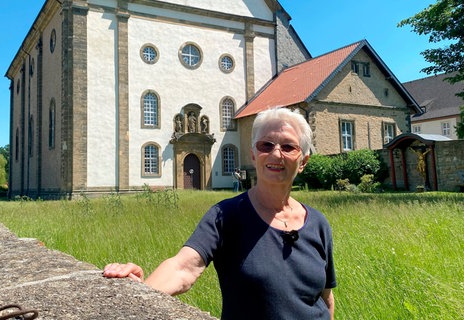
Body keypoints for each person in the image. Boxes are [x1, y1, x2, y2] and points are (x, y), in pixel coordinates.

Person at [104, 107, 336, 319]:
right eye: (266, 145)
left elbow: (325, 299)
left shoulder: (317, 223)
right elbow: (183, 268)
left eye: (288, 147)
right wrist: (142, 291)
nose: (276, 154)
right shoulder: (226, 216)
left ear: (303, 161)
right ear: (254, 154)